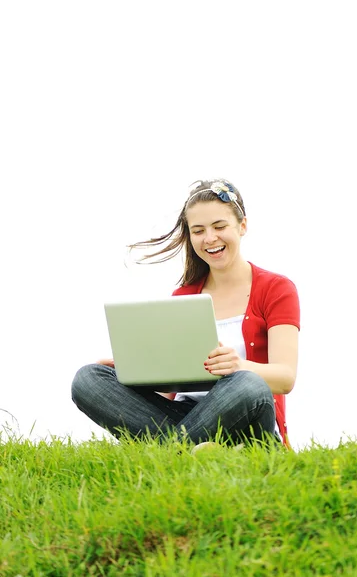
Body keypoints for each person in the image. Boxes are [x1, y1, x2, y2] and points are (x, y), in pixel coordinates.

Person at [71, 179, 300, 448]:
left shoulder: (276, 289)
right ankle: (197, 450)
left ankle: (170, 455)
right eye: (198, 230)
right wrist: (133, 371)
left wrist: (240, 366)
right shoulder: (183, 298)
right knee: (88, 378)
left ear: (242, 226)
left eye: (219, 226)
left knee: (248, 384)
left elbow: (285, 378)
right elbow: (170, 389)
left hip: (247, 417)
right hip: (188, 417)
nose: (210, 238)